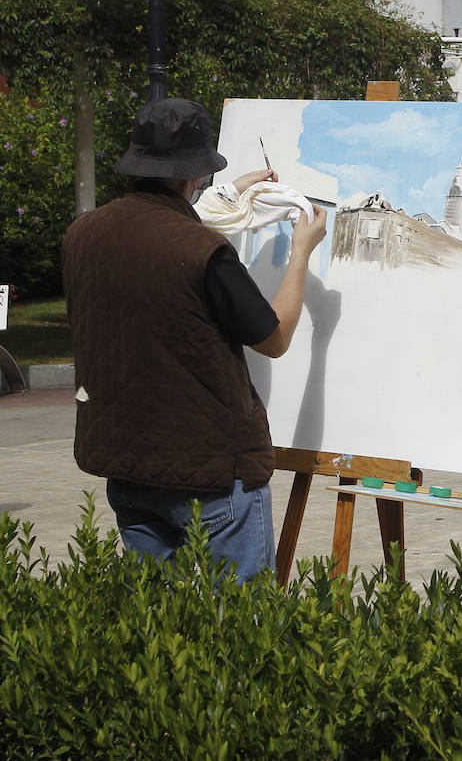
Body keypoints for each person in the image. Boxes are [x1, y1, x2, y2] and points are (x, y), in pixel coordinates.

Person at [62, 98, 326, 581]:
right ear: (195, 174)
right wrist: (300, 254)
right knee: (242, 630)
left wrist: (234, 192)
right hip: (211, 475)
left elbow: (156, 243)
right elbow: (275, 337)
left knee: (162, 633)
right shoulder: (203, 249)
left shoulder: (83, 233)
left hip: (128, 464)